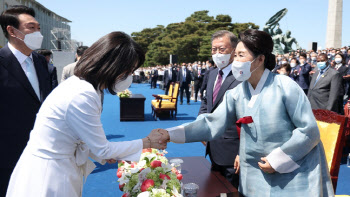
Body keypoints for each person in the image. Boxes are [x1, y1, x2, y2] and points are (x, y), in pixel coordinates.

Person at [156, 29, 334, 196]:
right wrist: (170, 134)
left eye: (241, 55)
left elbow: (308, 131)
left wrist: (277, 159)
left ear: (259, 59)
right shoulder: (237, 93)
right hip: (254, 175)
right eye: (236, 56)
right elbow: (211, 124)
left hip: (292, 173)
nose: (236, 61)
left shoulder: (285, 87)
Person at [5, 32, 167, 197]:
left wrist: (99, 152)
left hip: (57, 167)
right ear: (113, 67)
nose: (129, 77)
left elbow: (81, 138)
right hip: (48, 176)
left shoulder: (85, 86)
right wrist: (147, 142)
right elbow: (104, 149)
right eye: (128, 71)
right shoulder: (82, 93)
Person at [0, 6, 52, 195]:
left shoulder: (40, 61)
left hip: (42, 150)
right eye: (31, 28)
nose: (38, 33)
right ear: (12, 30)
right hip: (7, 156)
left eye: (39, 28)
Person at [199, 30, 241, 188]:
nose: (217, 53)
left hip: (233, 152)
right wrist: (201, 126)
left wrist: (243, 152)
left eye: (221, 49)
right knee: (215, 189)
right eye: (213, 49)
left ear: (233, 50)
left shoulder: (242, 76)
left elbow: (249, 118)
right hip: (213, 148)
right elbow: (205, 102)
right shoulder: (212, 73)